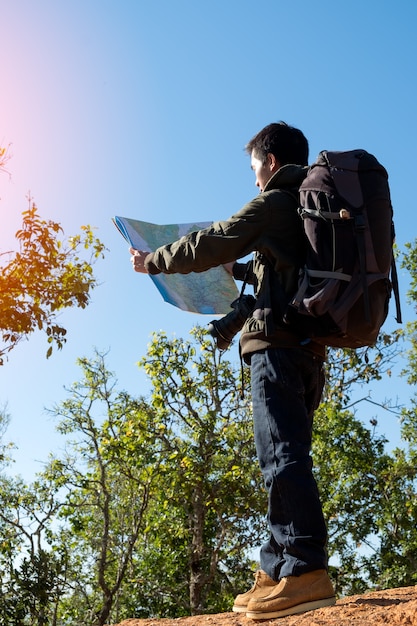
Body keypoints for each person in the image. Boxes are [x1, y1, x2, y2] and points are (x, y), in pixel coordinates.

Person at [130, 121, 336, 620]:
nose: (254, 180)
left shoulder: (274, 203)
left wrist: (153, 260)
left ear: (269, 162)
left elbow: (217, 237)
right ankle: (278, 568)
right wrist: (242, 271)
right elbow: (281, 272)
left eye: (254, 170)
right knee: (281, 454)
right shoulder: (311, 211)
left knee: (282, 456)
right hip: (307, 351)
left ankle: (307, 569)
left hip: (278, 350)